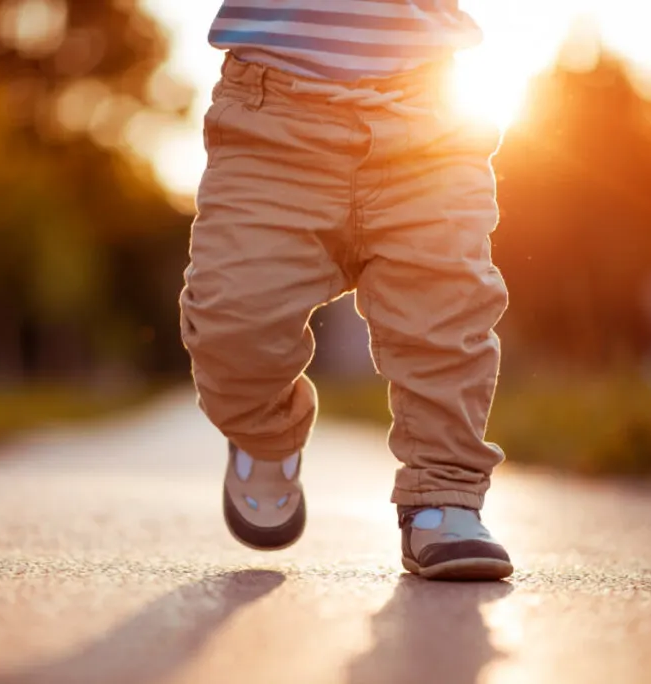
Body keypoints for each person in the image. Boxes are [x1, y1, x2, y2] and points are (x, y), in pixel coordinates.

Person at [178, 1, 513, 581]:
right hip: (271, 122)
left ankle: (443, 496)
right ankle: (265, 431)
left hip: (427, 118)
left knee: (445, 315)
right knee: (233, 317)